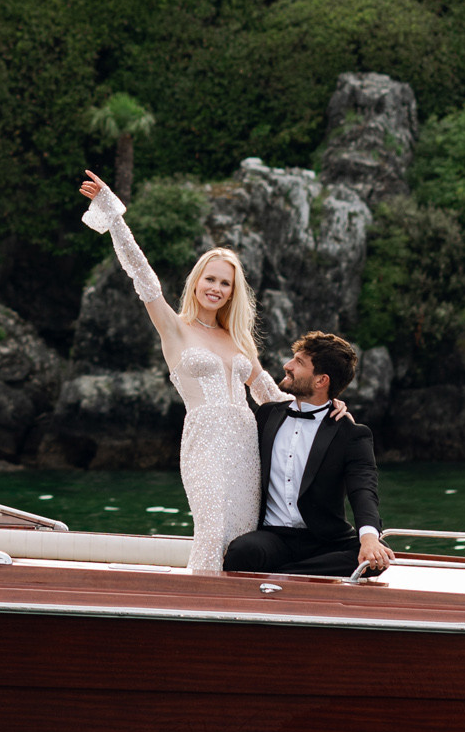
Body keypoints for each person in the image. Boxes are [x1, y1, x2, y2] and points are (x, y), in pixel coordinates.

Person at [79, 173, 344, 573]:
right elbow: (141, 272)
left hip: (245, 444)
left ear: (232, 292)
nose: (216, 288)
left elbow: (271, 395)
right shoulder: (174, 327)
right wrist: (114, 217)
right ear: (197, 281)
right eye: (211, 279)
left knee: (240, 535)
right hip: (204, 440)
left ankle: (238, 610)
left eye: (225, 283)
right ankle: (197, 606)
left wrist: (326, 406)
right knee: (211, 527)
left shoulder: (238, 340)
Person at [224, 332, 391, 579]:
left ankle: (283, 576)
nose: (287, 366)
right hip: (274, 537)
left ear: (321, 380)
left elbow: (363, 491)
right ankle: (299, 575)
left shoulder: (350, 434)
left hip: (327, 541)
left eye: (299, 363)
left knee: (376, 560)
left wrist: (369, 539)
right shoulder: (267, 415)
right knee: (242, 551)